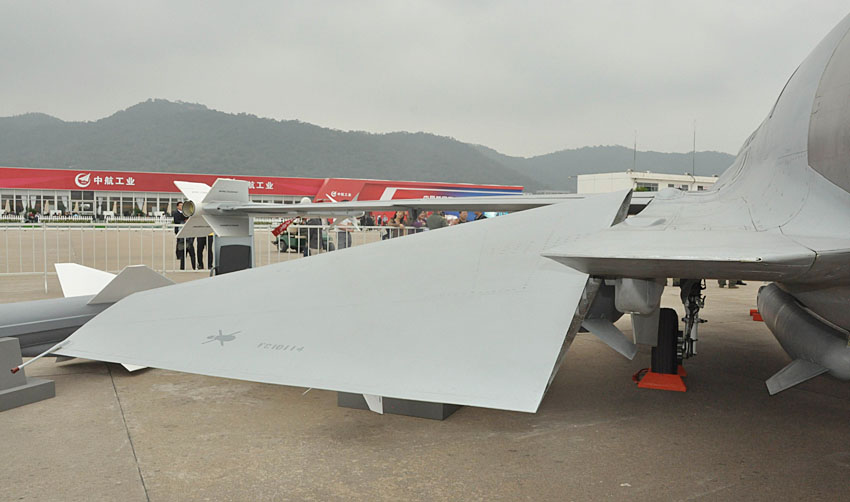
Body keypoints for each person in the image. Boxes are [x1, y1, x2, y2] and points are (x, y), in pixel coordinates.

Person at [173, 201, 196, 270]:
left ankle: (194, 267)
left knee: (191, 252)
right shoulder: (176, 213)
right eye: (180, 205)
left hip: (189, 235)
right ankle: (182, 266)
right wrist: (184, 219)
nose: (181, 206)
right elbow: (177, 220)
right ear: (177, 206)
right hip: (180, 233)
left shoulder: (187, 212)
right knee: (182, 250)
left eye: (182, 205)